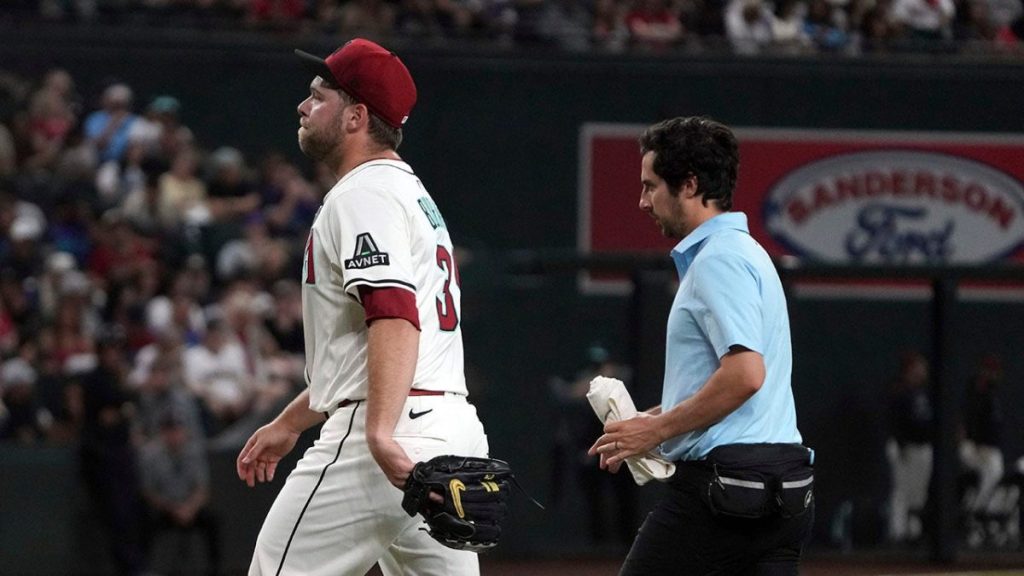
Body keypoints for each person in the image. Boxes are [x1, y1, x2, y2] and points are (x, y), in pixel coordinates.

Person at [236, 38, 490, 575]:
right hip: (449, 423)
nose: (303, 107)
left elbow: (395, 315)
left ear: (355, 117)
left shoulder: (364, 194)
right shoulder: (410, 194)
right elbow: (365, 350)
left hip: (391, 428)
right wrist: (290, 421)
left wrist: (379, 433)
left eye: (317, 95)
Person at [588, 116, 813, 575]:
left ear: (689, 185)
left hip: (727, 493)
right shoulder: (749, 253)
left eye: (651, 186)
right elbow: (743, 387)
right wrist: (649, 418)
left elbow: (746, 375)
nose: (642, 201)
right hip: (785, 490)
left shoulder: (719, 260)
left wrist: (656, 431)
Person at [884, 350, 933, 544]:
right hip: (904, 447)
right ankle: (898, 531)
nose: (923, 372)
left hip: (921, 448)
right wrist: (900, 444)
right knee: (900, 490)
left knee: (918, 493)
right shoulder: (899, 391)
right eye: (919, 368)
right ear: (910, 369)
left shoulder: (923, 393)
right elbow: (893, 421)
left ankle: (913, 532)